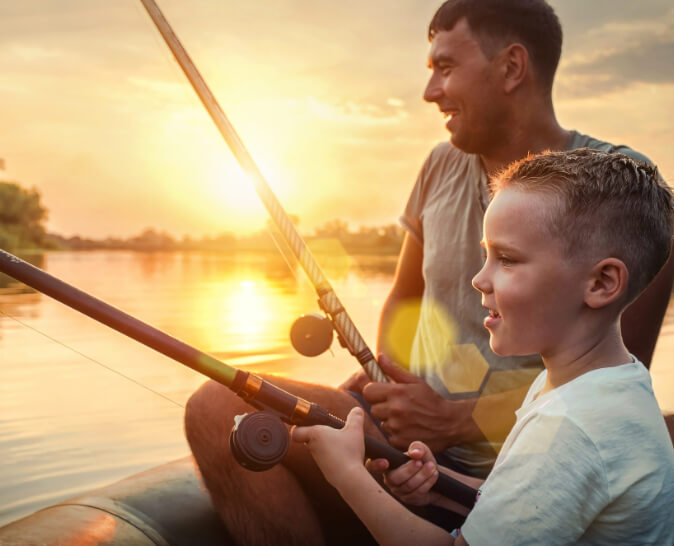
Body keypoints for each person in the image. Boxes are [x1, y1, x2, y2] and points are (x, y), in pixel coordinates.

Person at [184, 1, 674, 543]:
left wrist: (452, 419)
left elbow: (616, 358)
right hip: (424, 450)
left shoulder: (623, 194)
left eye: (445, 67)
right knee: (216, 406)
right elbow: (402, 298)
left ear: (512, 67)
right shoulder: (440, 164)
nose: (430, 91)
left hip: (497, 451)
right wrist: (384, 383)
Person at [293, 148, 674, 545]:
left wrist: (348, 474)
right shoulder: (608, 384)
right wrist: (441, 482)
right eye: (485, 255)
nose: (479, 279)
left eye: (507, 259)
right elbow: (529, 496)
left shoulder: (570, 427)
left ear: (601, 283)